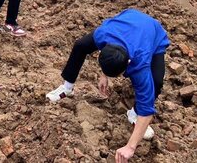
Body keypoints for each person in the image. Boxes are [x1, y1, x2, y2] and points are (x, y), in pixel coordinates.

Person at [46, 9, 170, 162]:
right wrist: (104, 74)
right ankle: (67, 87)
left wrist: (130, 147)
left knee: (156, 82)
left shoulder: (141, 65)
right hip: (127, 19)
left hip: (152, 33)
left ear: (128, 64)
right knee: (80, 45)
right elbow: (105, 52)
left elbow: (148, 111)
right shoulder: (103, 35)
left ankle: (133, 113)